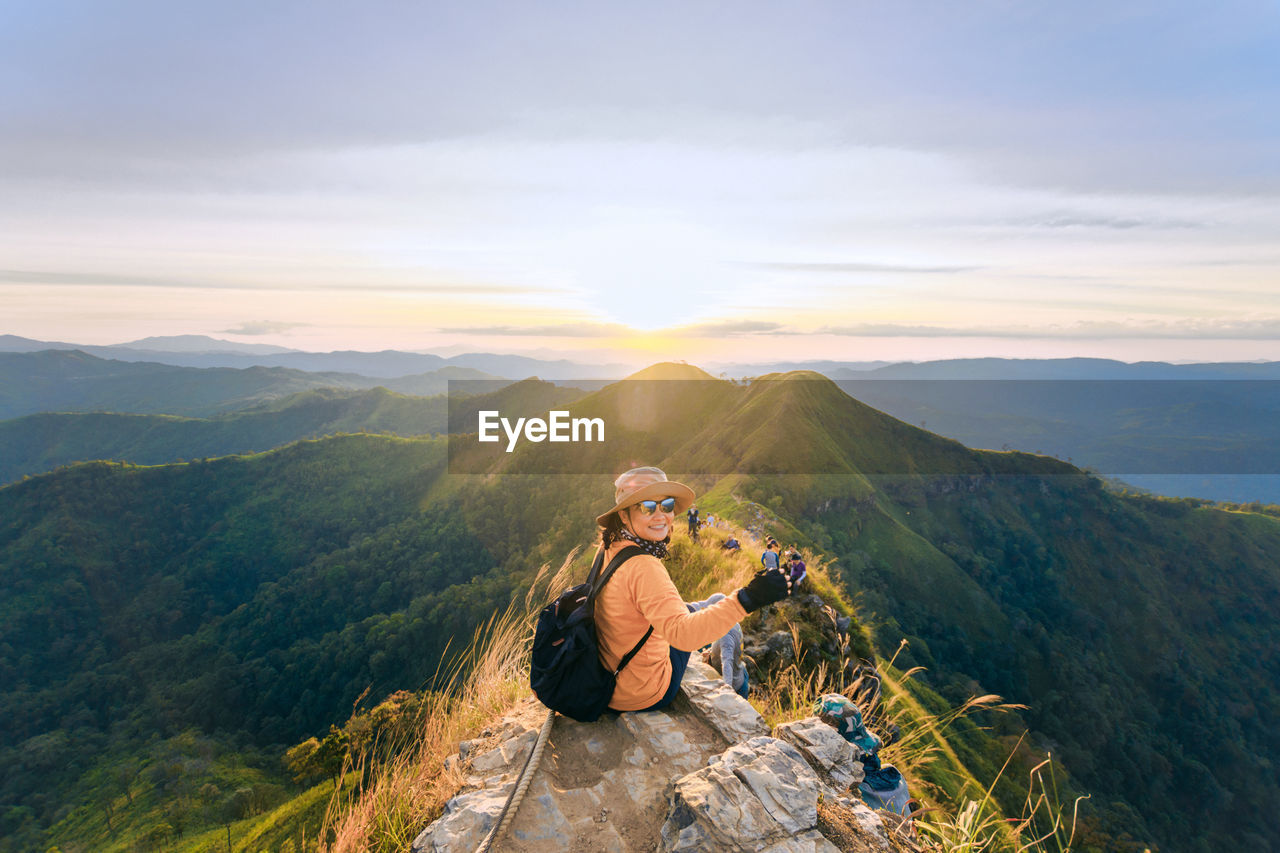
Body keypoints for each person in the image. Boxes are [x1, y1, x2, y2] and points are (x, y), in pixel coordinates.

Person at [595, 467, 791, 712]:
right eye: (646, 507)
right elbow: (683, 637)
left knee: (717, 599)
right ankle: (740, 696)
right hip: (641, 691)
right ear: (624, 515)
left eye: (666, 505)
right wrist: (748, 598)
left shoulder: (609, 547)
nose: (660, 515)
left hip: (612, 669)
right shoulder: (644, 567)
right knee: (718, 621)